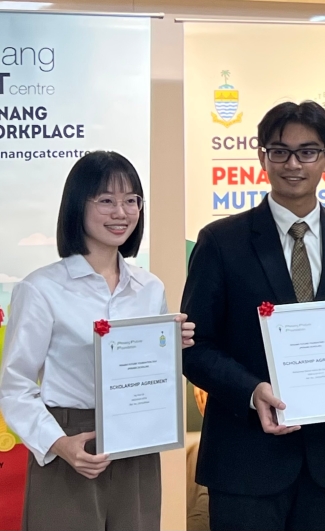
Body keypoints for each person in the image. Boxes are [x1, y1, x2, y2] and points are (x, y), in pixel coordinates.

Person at [181, 101, 325, 531]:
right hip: (246, 461)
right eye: (280, 151)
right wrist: (253, 392)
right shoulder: (221, 240)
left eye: (307, 151)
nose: (293, 164)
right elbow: (195, 348)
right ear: (262, 156)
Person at [0, 151, 195, 531]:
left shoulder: (149, 287)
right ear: (78, 205)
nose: (121, 212)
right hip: (69, 441)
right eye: (106, 200)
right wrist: (59, 444)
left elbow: (149, 372)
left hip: (137, 442)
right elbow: (15, 386)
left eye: (131, 200)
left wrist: (171, 349)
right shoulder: (41, 288)